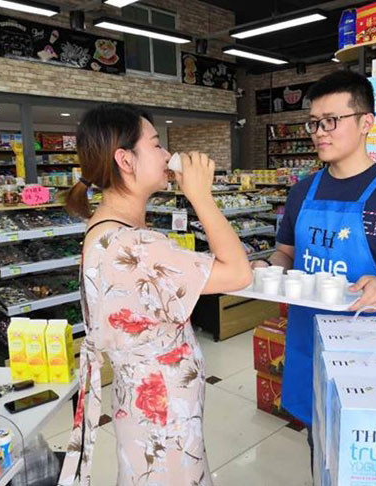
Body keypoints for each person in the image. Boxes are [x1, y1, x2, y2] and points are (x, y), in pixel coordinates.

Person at [59, 103, 252, 486]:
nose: (167, 155)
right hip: (163, 413)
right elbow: (238, 273)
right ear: (125, 160)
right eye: (156, 144)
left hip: (142, 404)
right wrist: (201, 196)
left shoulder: (106, 229)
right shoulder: (135, 245)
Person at [253, 71, 376, 453]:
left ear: (366, 123)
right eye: (314, 123)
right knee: (318, 447)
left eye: (331, 121)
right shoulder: (302, 192)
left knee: (364, 451)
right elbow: (286, 253)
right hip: (308, 342)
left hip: (367, 351)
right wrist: (269, 269)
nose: (319, 132)